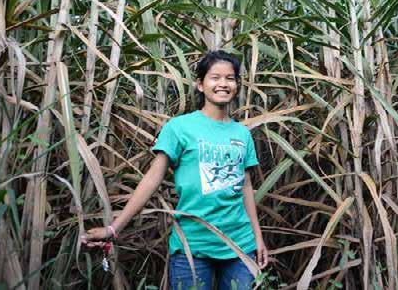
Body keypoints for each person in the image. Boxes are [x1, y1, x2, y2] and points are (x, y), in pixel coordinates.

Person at [82, 50, 269, 289]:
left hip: (240, 246)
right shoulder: (180, 128)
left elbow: (246, 187)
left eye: (230, 78)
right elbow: (153, 177)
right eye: (215, 77)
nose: (223, 84)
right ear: (200, 85)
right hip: (191, 245)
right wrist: (114, 227)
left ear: (237, 85)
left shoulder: (242, 134)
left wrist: (257, 239)